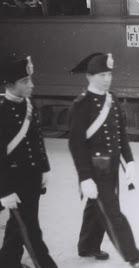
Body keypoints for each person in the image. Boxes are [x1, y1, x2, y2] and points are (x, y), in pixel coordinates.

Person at [68, 53, 139, 268]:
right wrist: (85, 178)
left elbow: (121, 135)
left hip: (111, 166)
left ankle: (87, 246)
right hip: (94, 170)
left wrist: (130, 161)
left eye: (109, 74)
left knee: (95, 206)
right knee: (113, 212)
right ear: (89, 76)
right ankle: (133, 257)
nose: (107, 79)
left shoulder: (112, 99)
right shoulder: (81, 105)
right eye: (102, 75)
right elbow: (76, 146)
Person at [0, 55, 58, 268]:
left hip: (32, 177)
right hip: (13, 181)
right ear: (9, 84)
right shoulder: (1, 110)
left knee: (19, 224)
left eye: (30, 79)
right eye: (25, 81)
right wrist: (4, 191)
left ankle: (7, 262)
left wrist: (45, 169)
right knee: (30, 230)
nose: (31, 84)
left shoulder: (30, 106)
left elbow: (37, 140)